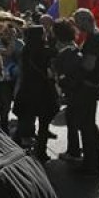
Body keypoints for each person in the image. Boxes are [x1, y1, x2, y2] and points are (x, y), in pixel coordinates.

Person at [72, 8, 99, 180]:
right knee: (89, 125)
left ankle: (91, 164)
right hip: (94, 86)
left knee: (86, 126)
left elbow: (89, 65)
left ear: (85, 21)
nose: (77, 27)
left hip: (88, 87)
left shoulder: (94, 39)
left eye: (78, 23)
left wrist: (75, 59)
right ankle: (97, 160)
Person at [12, 25, 58, 161]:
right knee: (44, 125)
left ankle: (17, 151)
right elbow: (52, 71)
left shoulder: (25, 51)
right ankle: (41, 152)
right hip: (44, 91)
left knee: (24, 121)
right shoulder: (47, 51)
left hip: (27, 90)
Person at [51, 18, 83, 163]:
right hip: (78, 86)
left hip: (70, 88)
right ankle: (76, 147)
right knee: (77, 119)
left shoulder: (60, 47)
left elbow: (58, 70)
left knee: (71, 120)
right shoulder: (74, 44)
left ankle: (73, 151)